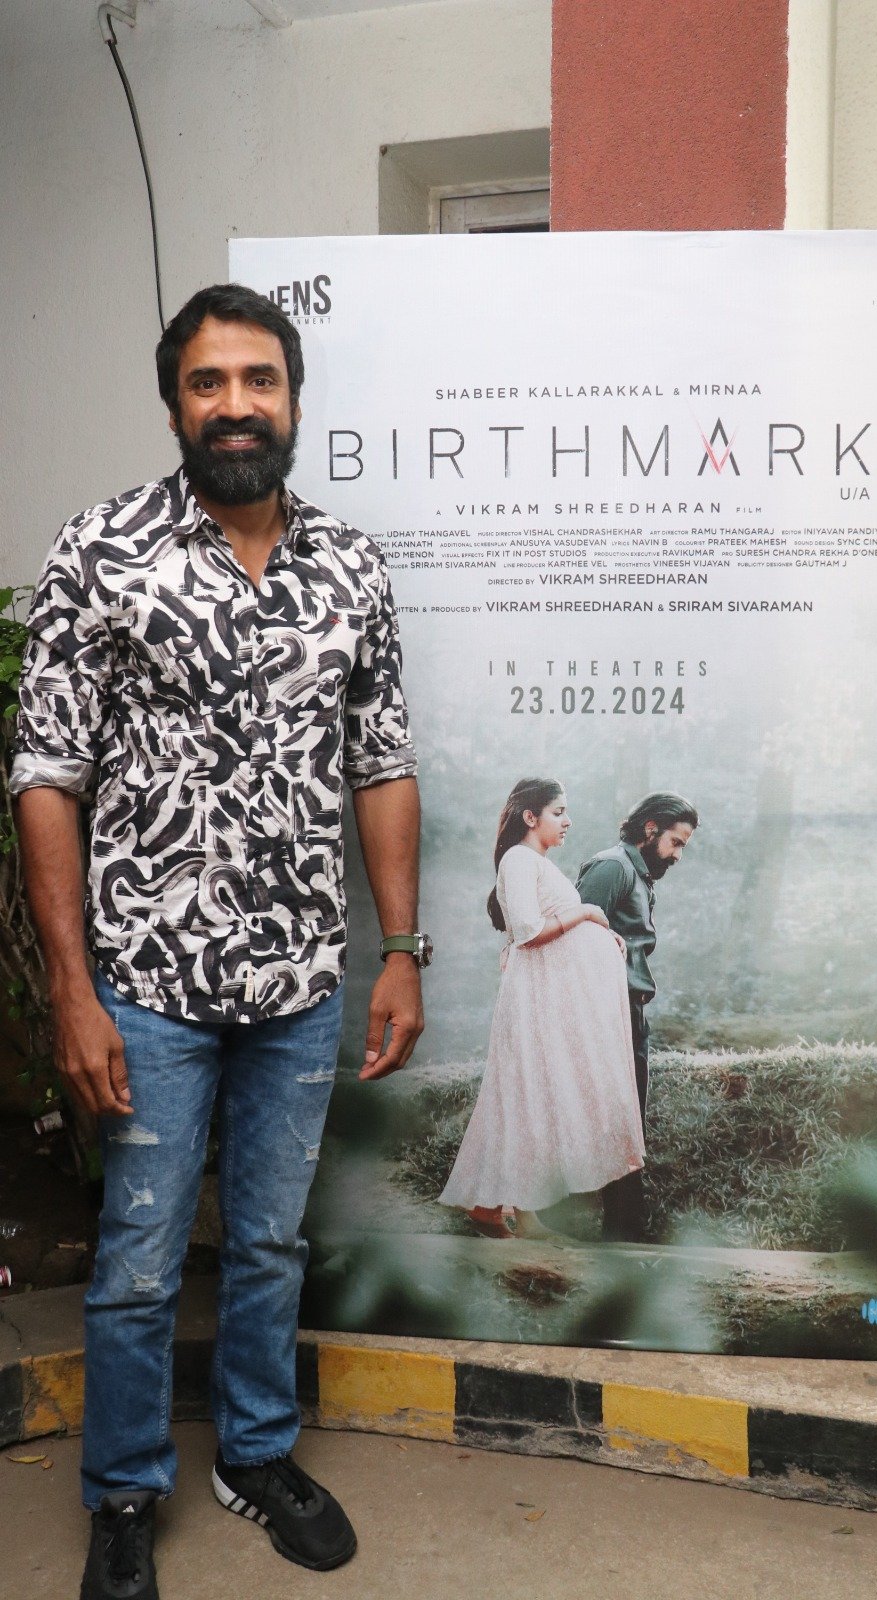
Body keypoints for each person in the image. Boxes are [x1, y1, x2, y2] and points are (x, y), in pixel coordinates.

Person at [11, 283, 430, 1600]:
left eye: (259, 379)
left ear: (293, 400)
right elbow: (47, 777)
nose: (235, 404)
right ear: (174, 405)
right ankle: (126, 1491)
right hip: (146, 984)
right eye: (209, 382)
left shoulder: (350, 566)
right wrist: (71, 991)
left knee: (267, 1244)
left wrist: (403, 948)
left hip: (299, 982)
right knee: (139, 1263)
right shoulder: (102, 551)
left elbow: (381, 762)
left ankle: (255, 1454)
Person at [438, 778, 644, 1239]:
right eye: (558, 811)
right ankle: (496, 1209)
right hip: (534, 1003)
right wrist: (587, 913)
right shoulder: (518, 859)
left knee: (533, 1096)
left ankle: (515, 1210)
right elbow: (530, 930)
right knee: (525, 1094)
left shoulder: (536, 863)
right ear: (530, 817)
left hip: (545, 1001)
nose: (568, 821)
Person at [576, 792, 698, 1242]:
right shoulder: (612, 868)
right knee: (611, 1118)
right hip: (605, 1010)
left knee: (628, 1121)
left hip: (628, 1010)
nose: (678, 855)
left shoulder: (640, 873)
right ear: (650, 829)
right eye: (675, 842)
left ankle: (624, 1230)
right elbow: (572, 941)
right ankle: (620, 1232)